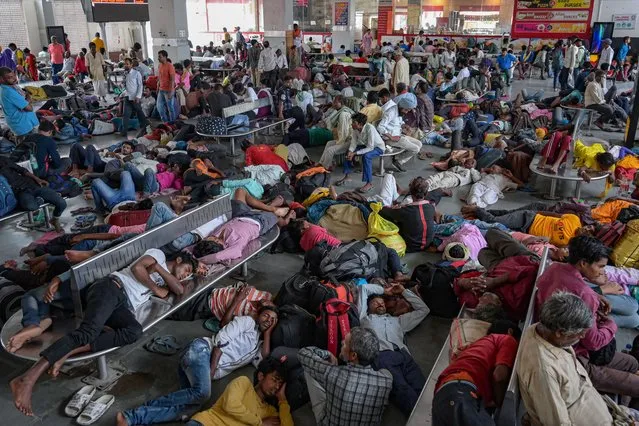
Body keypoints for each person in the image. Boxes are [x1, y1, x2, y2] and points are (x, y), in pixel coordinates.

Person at [10, 248, 196, 417]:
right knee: (88, 332)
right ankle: (26, 379)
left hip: (122, 304)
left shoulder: (162, 272)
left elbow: (179, 289)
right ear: (178, 259)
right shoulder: (159, 255)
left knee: (134, 332)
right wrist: (157, 286)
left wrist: (160, 272)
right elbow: (138, 268)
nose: (185, 275)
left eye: (188, 275)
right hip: (110, 287)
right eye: (187, 269)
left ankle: (68, 351)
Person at [535, 235, 639, 405]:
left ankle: (622, 404)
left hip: (561, 340)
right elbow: (594, 343)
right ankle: (620, 410)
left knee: (631, 362)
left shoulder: (555, 269)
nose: (602, 272)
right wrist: (610, 323)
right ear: (583, 263)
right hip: (574, 359)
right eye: (600, 266)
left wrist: (596, 295)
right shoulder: (584, 294)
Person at [517, 291, 613, 425]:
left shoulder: (543, 329)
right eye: (579, 334)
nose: (582, 337)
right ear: (560, 333)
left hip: (592, 405)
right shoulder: (544, 371)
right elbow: (558, 422)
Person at [432, 320, 520, 426]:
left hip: (446, 394)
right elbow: (499, 376)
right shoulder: (507, 339)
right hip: (461, 390)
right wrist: (500, 403)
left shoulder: (480, 344)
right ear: (510, 331)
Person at [359, 283, 429, 416]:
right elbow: (364, 288)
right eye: (375, 303)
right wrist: (385, 291)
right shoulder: (364, 319)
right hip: (382, 357)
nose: (380, 304)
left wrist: (404, 291)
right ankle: (422, 420)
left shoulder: (398, 321)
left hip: (404, 355)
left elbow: (424, 310)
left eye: (382, 303)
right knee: (403, 392)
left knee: (424, 389)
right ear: (367, 308)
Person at [300, 327, 393, 426]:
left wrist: (327, 354)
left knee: (309, 370)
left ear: (353, 355)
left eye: (345, 343)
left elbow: (303, 353)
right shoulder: (387, 380)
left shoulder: (333, 373)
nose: (341, 342)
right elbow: (385, 373)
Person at [0, 156, 66, 231]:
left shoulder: (2, 160)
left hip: (32, 185)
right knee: (31, 206)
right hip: (20, 193)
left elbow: (22, 170)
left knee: (62, 203)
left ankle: (55, 219)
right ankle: (40, 200)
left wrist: (38, 179)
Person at [380, 177, 436, 252]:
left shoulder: (406, 211)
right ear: (426, 193)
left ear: (411, 193)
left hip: (410, 246)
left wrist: (394, 208)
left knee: (387, 216)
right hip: (427, 244)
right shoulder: (431, 207)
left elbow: (383, 211)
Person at [377, 88, 422, 172]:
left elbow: (400, 121)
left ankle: (398, 161)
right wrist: (391, 137)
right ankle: (397, 159)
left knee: (419, 144)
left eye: (408, 110)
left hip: (399, 136)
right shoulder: (391, 112)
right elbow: (380, 127)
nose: (407, 112)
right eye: (406, 110)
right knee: (416, 149)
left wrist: (405, 126)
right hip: (391, 139)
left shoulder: (399, 111)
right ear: (401, 107)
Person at [339, 112, 385, 193]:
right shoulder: (355, 130)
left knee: (366, 156)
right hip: (366, 146)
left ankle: (369, 183)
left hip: (378, 147)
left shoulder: (369, 128)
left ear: (360, 124)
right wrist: (350, 152)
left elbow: (370, 147)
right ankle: (347, 176)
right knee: (348, 152)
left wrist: (355, 153)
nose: (352, 124)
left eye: (354, 122)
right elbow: (353, 143)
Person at [0, 67, 39, 138]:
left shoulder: (9, 87)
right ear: (1, 79)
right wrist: (28, 97)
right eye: (10, 77)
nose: (15, 78)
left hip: (23, 123)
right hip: (22, 126)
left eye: (14, 75)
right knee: (27, 146)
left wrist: (26, 98)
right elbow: (29, 108)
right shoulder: (9, 92)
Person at [121, 58, 148, 138]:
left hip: (135, 97)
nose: (126, 65)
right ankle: (124, 131)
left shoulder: (136, 73)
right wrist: (122, 93)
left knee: (139, 113)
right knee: (125, 115)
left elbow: (140, 85)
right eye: (125, 64)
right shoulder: (125, 74)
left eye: (127, 64)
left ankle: (145, 127)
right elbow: (124, 85)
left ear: (131, 65)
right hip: (127, 96)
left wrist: (138, 96)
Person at [157, 50, 176, 123]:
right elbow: (160, 78)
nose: (158, 58)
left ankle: (173, 124)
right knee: (160, 108)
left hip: (168, 90)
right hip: (161, 90)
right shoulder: (160, 66)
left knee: (170, 108)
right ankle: (166, 123)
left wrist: (171, 91)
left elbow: (172, 79)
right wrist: (158, 87)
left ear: (165, 57)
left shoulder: (170, 66)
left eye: (160, 57)